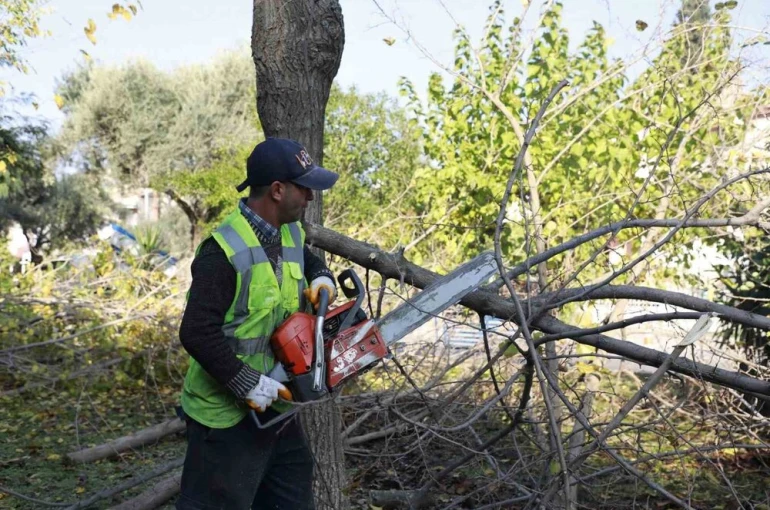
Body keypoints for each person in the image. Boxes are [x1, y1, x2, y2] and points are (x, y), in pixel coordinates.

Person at [175, 137, 339, 510]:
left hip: (277, 407)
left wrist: (320, 276)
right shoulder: (222, 252)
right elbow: (196, 331)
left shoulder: (290, 231)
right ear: (278, 190)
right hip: (224, 417)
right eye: (304, 189)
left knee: (293, 497)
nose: (310, 199)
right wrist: (245, 381)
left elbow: (305, 258)